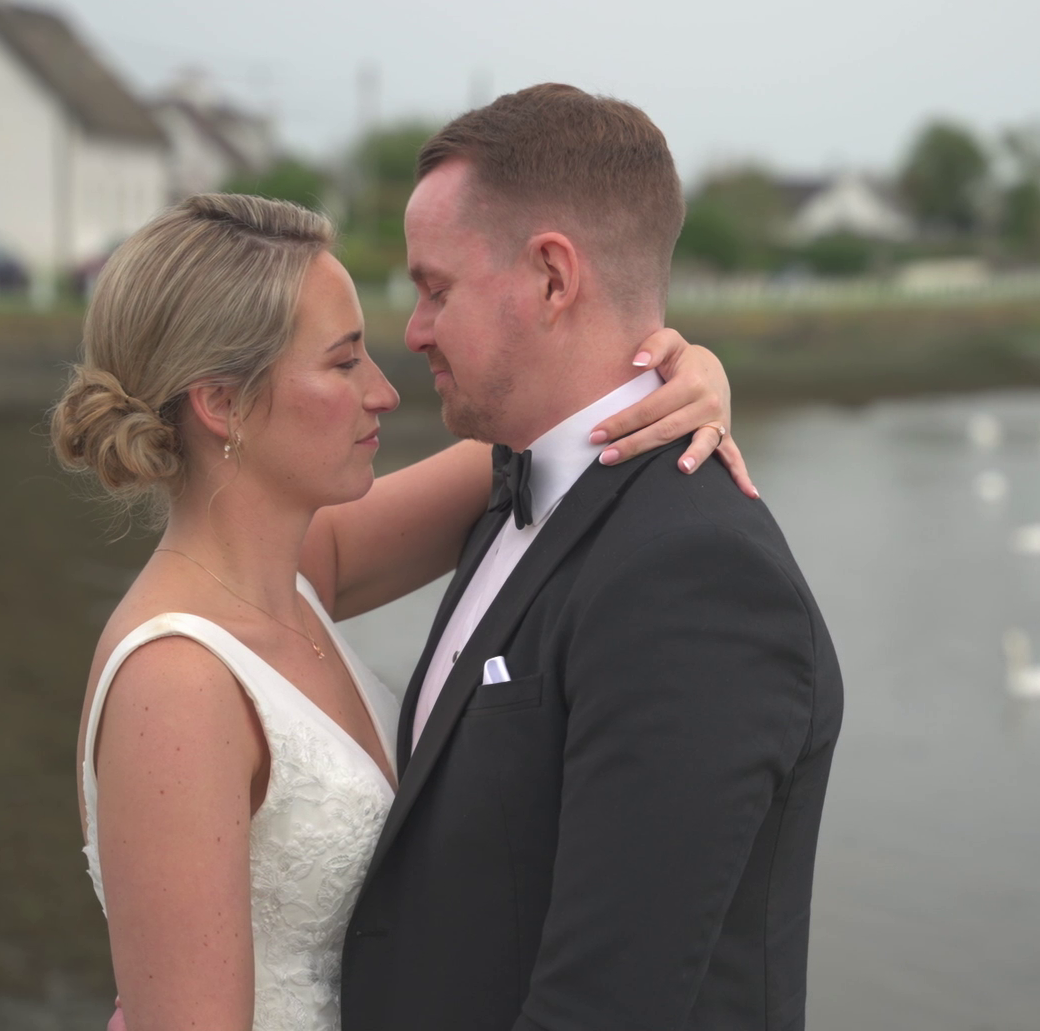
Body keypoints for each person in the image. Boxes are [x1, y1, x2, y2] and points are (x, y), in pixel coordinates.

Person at [55, 191, 751, 1031]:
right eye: (345, 363)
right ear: (223, 404)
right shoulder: (176, 684)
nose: (384, 393)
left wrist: (682, 375)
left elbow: (571, 434)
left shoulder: (298, 573)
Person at [340, 84, 843, 1030]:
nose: (412, 332)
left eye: (434, 288)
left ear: (553, 278)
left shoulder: (693, 577)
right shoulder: (510, 488)